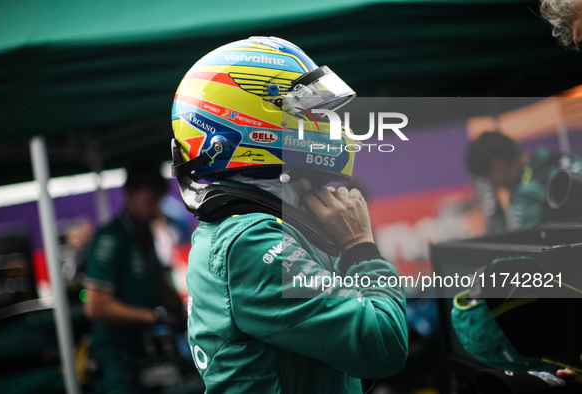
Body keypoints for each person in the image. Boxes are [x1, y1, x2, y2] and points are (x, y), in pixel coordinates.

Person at [170, 36, 408, 393]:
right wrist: (360, 247)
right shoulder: (249, 241)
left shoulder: (262, 223)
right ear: (250, 121)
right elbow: (383, 344)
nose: (325, 123)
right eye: (306, 110)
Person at [84, 161, 183, 393]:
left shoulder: (143, 233)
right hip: (117, 355)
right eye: (149, 202)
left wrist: (178, 308)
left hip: (145, 348)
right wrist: (154, 316)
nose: (155, 210)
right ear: (129, 194)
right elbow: (95, 307)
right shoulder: (111, 238)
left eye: (158, 202)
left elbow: (156, 276)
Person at [465, 131, 582, 229]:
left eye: (489, 180)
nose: (495, 186)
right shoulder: (563, 158)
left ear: (498, 167)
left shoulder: (525, 193)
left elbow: (526, 245)